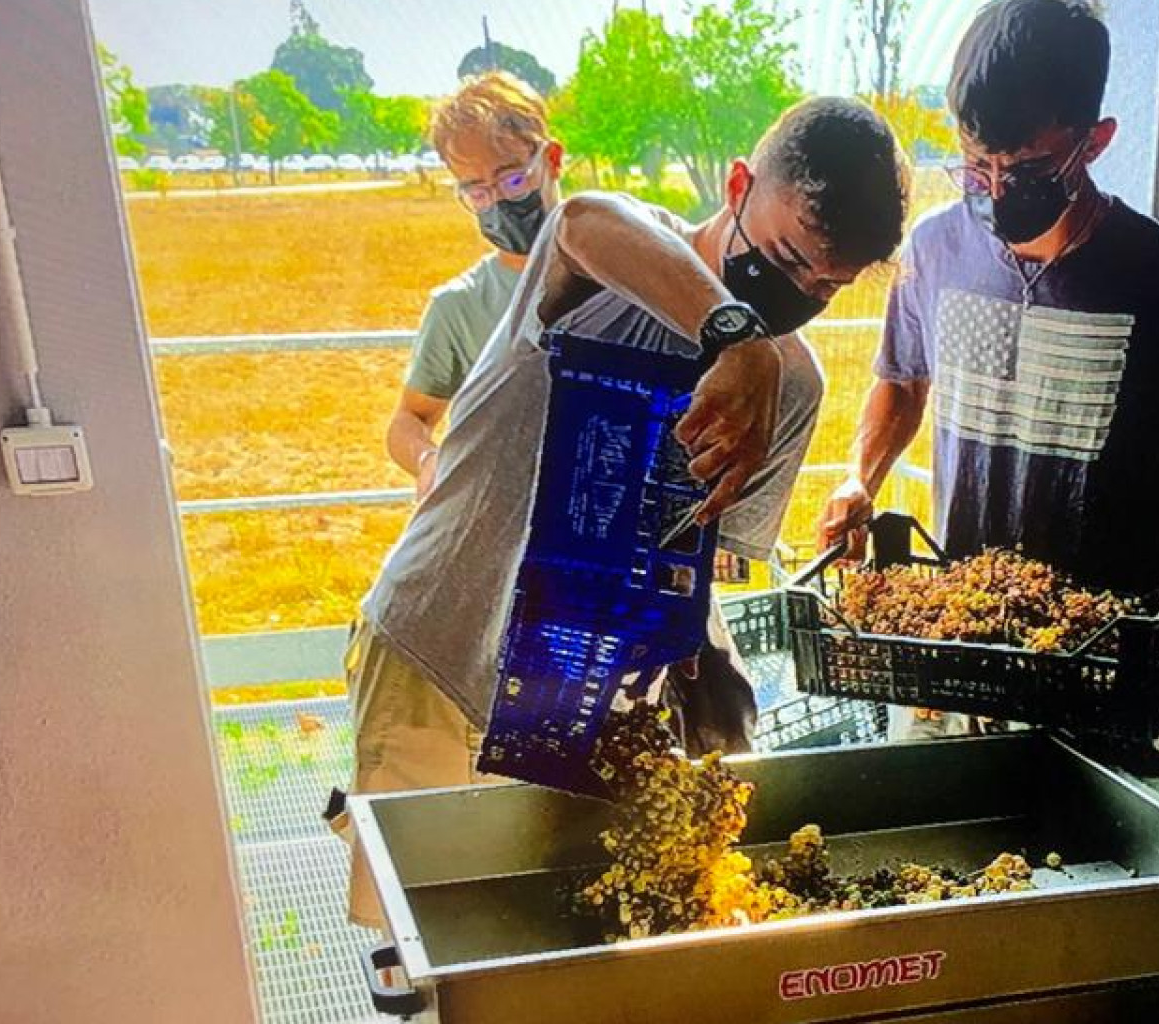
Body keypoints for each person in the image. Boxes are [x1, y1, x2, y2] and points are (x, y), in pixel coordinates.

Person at [337, 96, 909, 929]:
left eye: (828, 285)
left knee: (548, 938)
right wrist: (734, 336)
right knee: (425, 937)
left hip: (569, 703)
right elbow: (581, 219)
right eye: (786, 261)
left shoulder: (793, 385)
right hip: (437, 648)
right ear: (739, 185)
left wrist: (712, 684)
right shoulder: (615, 262)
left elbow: (696, 561)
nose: (801, 294)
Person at [816, 0, 1159, 739]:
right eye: (976, 167)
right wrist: (857, 478)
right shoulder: (935, 251)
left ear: (1094, 141)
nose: (999, 191)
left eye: (1026, 170)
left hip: (1096, 664)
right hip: (956, 646)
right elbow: (901, 382)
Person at [388, 71, 557, 498]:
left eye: (514, 179)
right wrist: (428, 461)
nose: (498, 201)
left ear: (552, 159)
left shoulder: (627, 265)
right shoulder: (458, 307)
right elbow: (410, 418)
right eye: (477, 192)